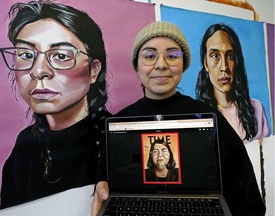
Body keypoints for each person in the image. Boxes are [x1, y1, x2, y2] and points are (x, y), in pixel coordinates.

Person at [92, 21, 266, 216]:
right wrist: (101, 186)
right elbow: (104, 177)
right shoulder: (120, 122)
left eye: (172, 56)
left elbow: (247, 194)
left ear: (184, 64)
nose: (161, 65)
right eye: (149, 56)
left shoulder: (210, 117)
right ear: (137, 65)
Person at [0, 0, 110, 209]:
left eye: (60, 56)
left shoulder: (115, 138)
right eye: (26, 55)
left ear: (93, 70)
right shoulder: (24, 144)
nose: (39, 70)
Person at [195, 23, 270, 143]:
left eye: (230, 56)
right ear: (205, 64)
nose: (224, 67)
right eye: (215, 56)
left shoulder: (256, 109)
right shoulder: (197, 115)